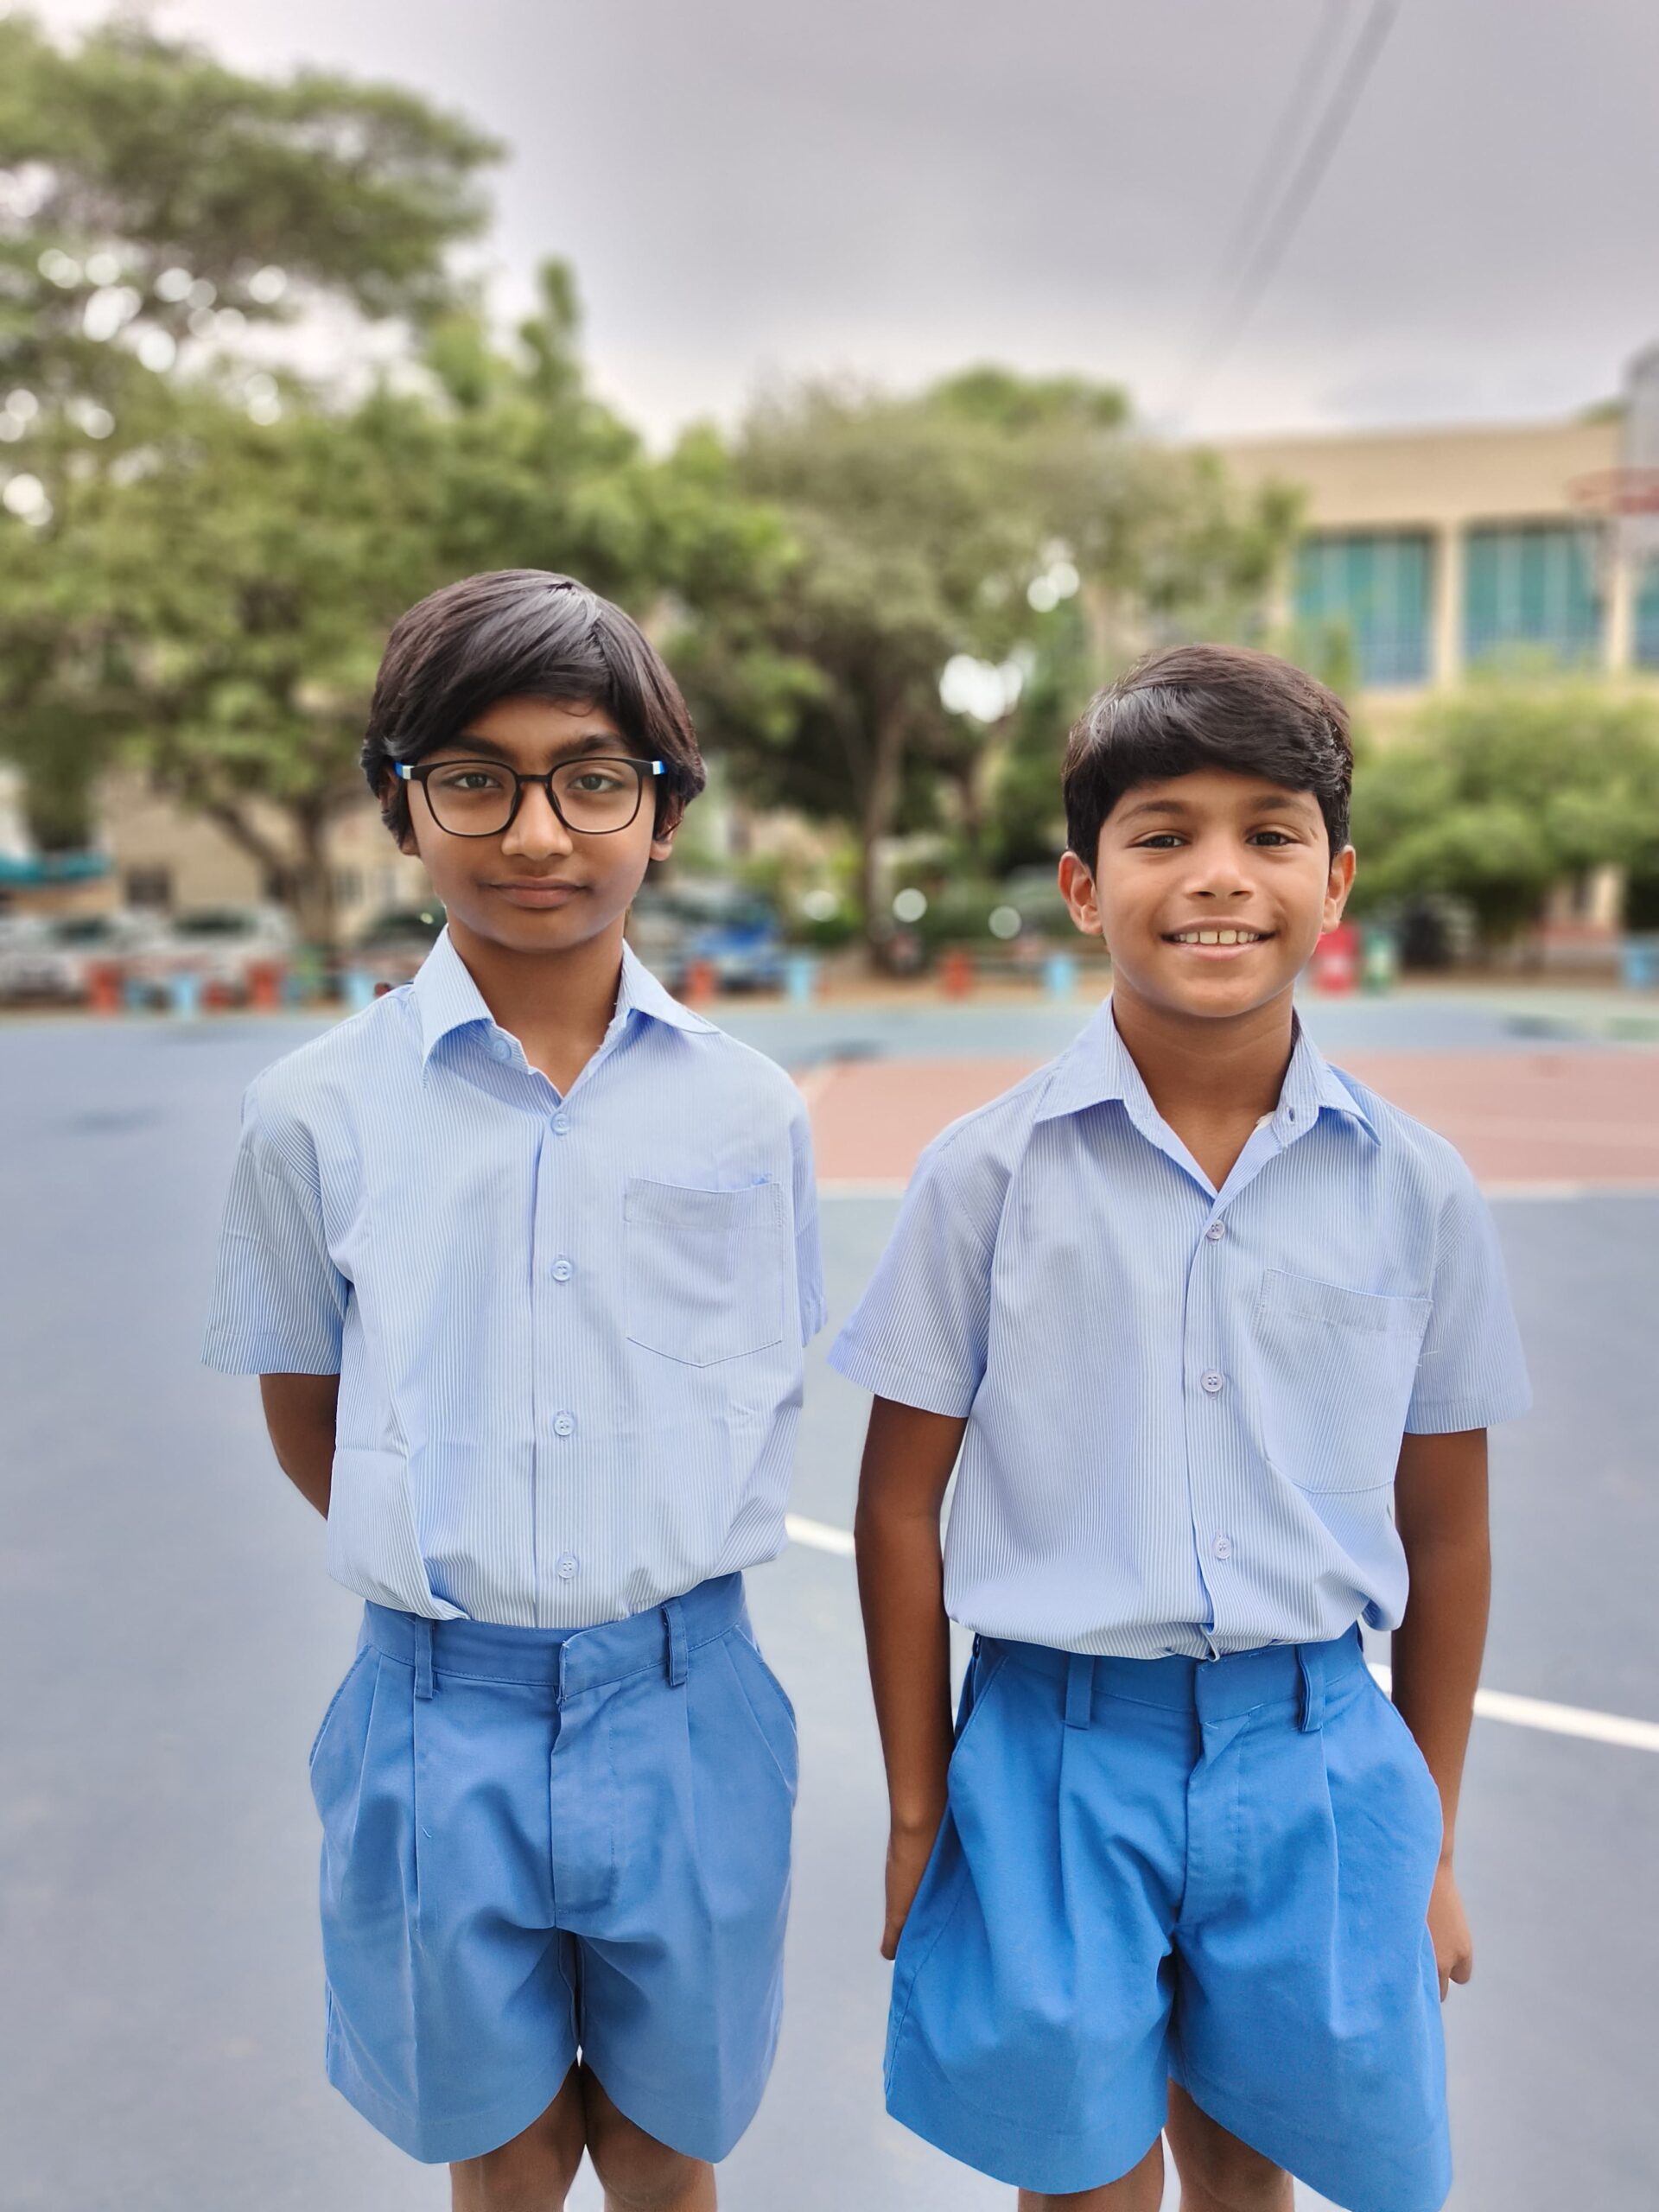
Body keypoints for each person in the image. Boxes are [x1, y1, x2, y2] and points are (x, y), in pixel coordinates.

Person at [831, 644, 1529, 2212]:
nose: (1218, 876)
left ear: (1335, 880)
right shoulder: (985, 1175)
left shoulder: (1415, 1188)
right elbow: (897, 1509)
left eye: (1269, 833)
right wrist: (918, 1805)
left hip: (1316, 1754)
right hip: (1052, 1754)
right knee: (1080, 2180)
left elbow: (1449, 1527)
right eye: (1162, 834)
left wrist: (1428, 1830)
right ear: (1084, 885)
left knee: (1249, 2164)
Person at [203, 569, 825, 2212]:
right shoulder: (311, 1113)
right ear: (400, 809)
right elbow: (310, 1419)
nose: (539, 833)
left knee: (667, 2149)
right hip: (433, 1705)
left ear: (665, 811)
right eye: (473, 777)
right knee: (501, 2153)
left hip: (689, 1700)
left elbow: (758, 1382)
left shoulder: (750, 1114)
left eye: (593, 778)